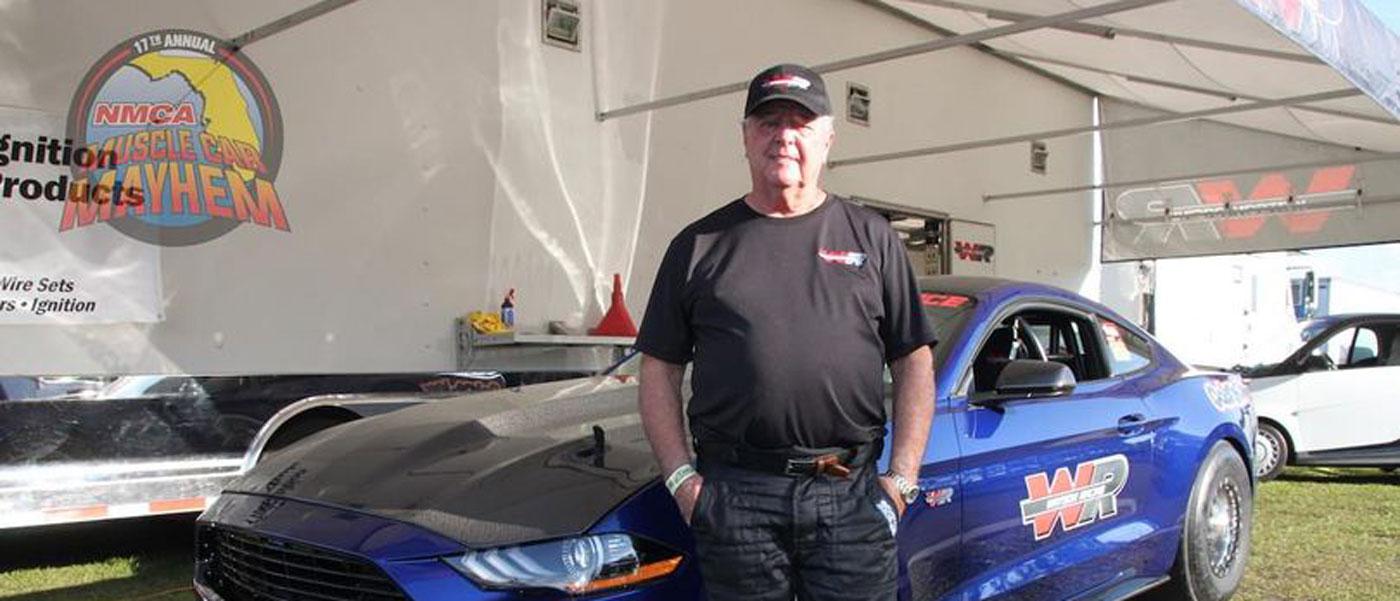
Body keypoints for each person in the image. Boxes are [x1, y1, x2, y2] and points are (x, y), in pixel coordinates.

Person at [634, 63, 937, 601]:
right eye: (769, 121)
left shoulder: (872, 238)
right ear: (746, 137)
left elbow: (913, 359)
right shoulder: (699, 244)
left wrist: (901, 482)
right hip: (737, 498)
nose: (784, 137)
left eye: (800, 122)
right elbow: (659, 365)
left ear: (827, 139)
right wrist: (682, 481)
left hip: (849, 490)